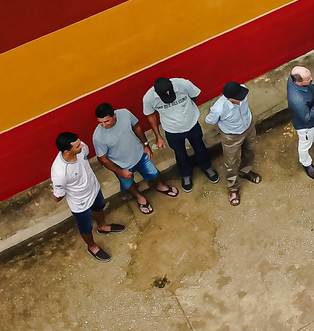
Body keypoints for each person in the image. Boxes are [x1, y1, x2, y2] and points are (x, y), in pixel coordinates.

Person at [51, 133, 125, 261]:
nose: (82, 145)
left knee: (99, 207)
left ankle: (103, 227)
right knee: (85, 227)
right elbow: (58, 196)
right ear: (67, 151)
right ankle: (92, 247)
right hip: (80, 202)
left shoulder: (82, 149)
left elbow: (84, 155)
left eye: (79, 142)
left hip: (94, 189)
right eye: (77, 145)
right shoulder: (60, 172)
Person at [93, 103, 176, 215]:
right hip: (121, 165)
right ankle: (139, 197)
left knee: (154, 173)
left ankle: (161, 186)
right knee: (128, 184)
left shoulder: (125, 113)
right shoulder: (98, 137)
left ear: (114, 115)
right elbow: (102, 159)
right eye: (100, 122)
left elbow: (136, 127)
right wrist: (119, 171)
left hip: (139, 154)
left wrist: (146, 144)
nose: (104, 125)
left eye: (106, 121)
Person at [142, 77, 218, 193]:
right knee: (180, 154)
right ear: (156, 93)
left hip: (192, 124)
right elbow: (150, 116)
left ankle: (207, 167)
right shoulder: (148, 98)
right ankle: (186, 174)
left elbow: (195, 95)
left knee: (200, 148)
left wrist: (188, 111)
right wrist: (158, 136)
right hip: (172, 131)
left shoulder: (184, 84)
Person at [204, 81, 261, 205]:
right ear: (229, 99)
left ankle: (245, 171)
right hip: (231, 135)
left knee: (250, 151)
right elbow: (210, 120)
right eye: (238, 99)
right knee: (231, 162)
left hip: (248, 127)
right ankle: (233, 188)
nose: (242, 100)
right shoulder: (219, 108)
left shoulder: (242, 90)